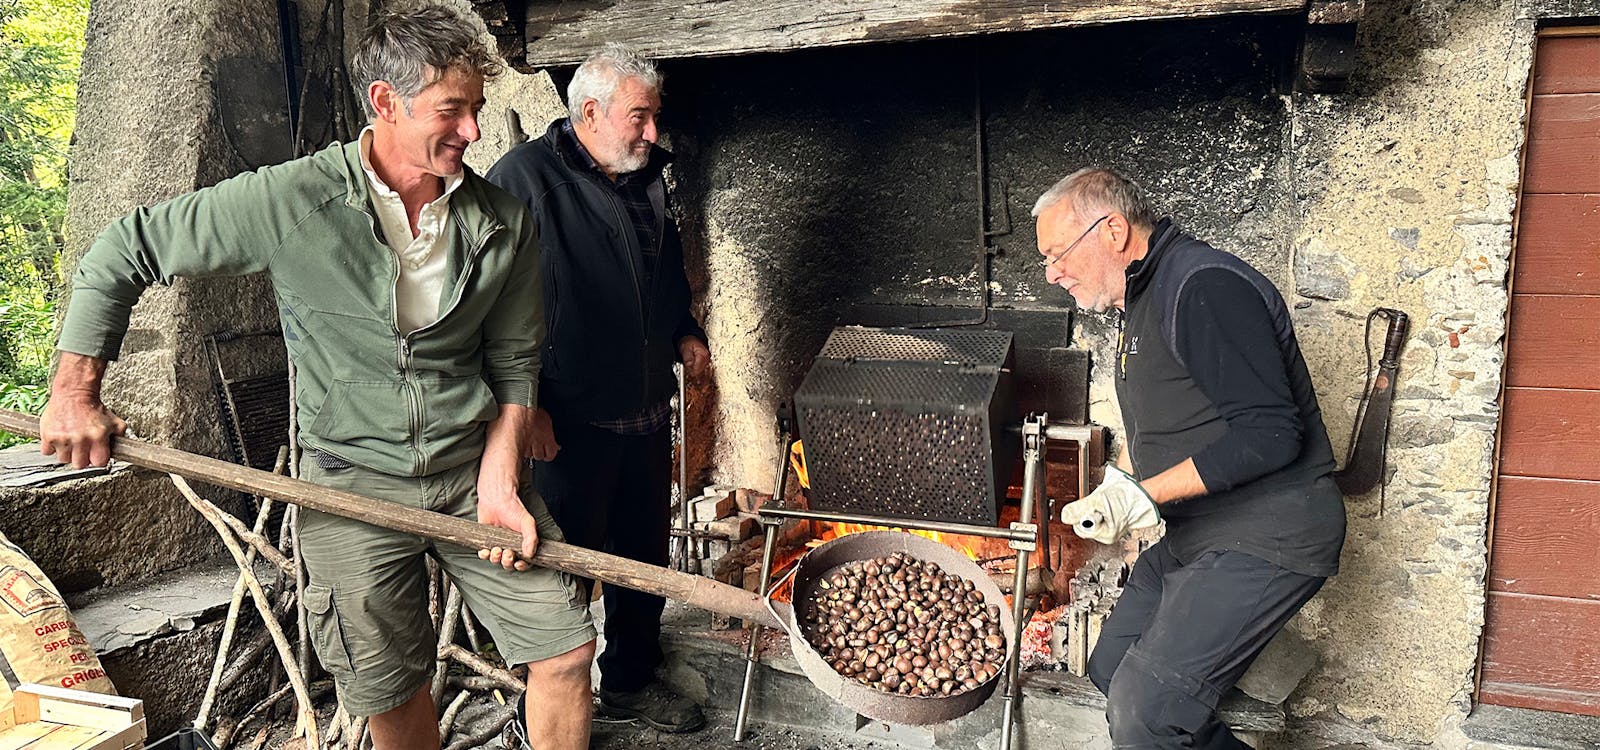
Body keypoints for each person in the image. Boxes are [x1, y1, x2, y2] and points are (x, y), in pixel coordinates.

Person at [38, 7, 598, 750]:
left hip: (473, 477)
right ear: (384, 102)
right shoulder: (293, 200)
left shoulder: (501, 220)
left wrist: (500, 480)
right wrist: (75, 393)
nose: (472, 132)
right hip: (348, 485)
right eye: (451, 111)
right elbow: (122, 249)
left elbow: (514, 364)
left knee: (566, 650)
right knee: (389, 687)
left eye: (477, 110)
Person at [1036, 168, 1345, 749]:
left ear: (1113, 231)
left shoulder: (1202, 286)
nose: (1052, 274)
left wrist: (1146, 494)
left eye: (1057, 253)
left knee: (1146, 711)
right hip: (1200, 532)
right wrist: (1124, 489)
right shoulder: (1142, 300)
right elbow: (1188, 424)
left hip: (1268, 535)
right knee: (1111, 669)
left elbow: (1274, 434)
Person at [485, 44, 709, 734]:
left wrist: (683, 331)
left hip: (643, 412)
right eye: (639, 117)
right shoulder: (522, 181)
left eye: (653, 117)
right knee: (560, 578)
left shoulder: (645, 179)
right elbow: (484, 308)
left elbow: (663, 272)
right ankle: (541, 712)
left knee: (643, 559)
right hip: (564, 421)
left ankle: (631, 684)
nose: (652, 132)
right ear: (590, 111)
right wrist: (526, 412)